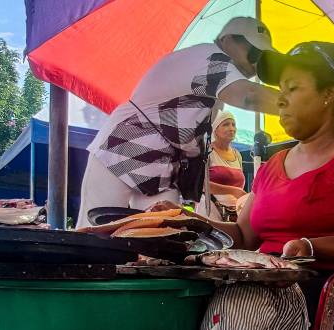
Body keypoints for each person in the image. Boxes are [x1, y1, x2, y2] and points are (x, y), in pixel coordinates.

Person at [197, 41, 334, 330]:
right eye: (281, 89)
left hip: (331, 292)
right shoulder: (272, 165)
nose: (280, 99)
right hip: (264, 285)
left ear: (328, 94)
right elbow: (244, 235)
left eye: (293, 88)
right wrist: (191, 224)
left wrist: (311, 247)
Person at [75, 17, 280, 228]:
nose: (256, 64)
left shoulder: (216, 88)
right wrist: (303, 102)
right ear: (227, 40)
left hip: (163, 168)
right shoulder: (207, 57)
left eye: (262, 57)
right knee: (95, 232)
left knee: (164, 239)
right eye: (254, 53)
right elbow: (248, 96)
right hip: (122, 149)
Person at [198, 110, 247, 220]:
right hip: (210, 210)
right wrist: (234, 191)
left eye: (233, 124)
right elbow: (200, 184)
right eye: (226, 124)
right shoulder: (207, 151)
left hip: (234, 212)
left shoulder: (237, 154)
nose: (231, 128)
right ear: (215, 130)